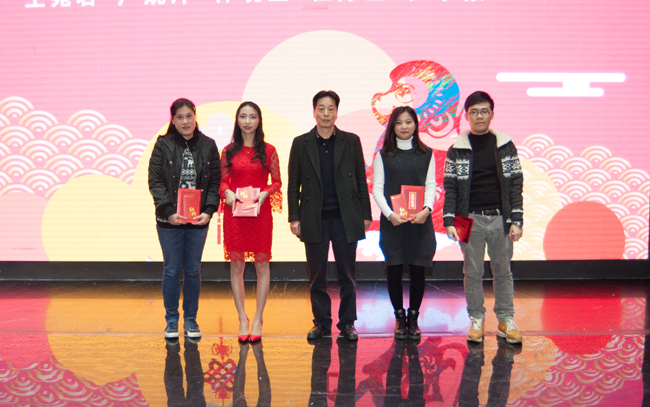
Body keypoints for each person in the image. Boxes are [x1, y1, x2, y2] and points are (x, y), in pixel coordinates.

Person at [288, 90, 372, 341]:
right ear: (314, 111)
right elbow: (293, 184)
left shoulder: (351, 141)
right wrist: (294, 217)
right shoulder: (301, 143)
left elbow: (360, 179)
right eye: (321, 108)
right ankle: (321, 322)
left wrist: (365, 214)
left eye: (331, 108)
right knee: (317, 275)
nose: (326, 113)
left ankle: (347, 323)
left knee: (347, 274)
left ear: (337, 111)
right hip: (314, 216)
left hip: (346, 216)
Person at [443, 91, 524, 344]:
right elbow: (450, 187)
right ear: (466, 115)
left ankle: (506, 320)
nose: (479, 116)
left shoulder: (505, 145)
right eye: (474, 112)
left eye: (484, 111)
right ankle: (476, 319)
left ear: (492, 114)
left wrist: (517, 219)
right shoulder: (457, 149)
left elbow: (515, 183)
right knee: (472, 272)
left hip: (501, 218)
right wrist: (449, 220)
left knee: (503, 271)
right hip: (468, 220)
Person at [148, 98, 221, 339]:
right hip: (169, 220)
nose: (185, 121)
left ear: (195, 117)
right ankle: (171, 321)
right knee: (171, 270)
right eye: (179, 117)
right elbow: (155, 181)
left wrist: (208, 210)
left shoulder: (209, 145)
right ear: (173, 120)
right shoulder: (163, 145)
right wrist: (168, 211)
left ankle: (191, 319)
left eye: (189, 116)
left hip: (198, 220)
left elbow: (215, 182)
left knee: (192, 270)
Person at [372, 106, 436, 340]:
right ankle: (400, 317)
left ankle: (414, 318)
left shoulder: (426, 153)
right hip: (394, 224)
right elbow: (377, 189)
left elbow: (431, 185)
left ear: (416, 125)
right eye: (399, 122)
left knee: (418, 271)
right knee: (394, 270)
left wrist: (427, 210)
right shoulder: (384, 155)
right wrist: (390, 214)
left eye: (408, 122)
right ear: (392, 126)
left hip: (420, 222)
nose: (404, 126)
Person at [220, 101, 282, 342]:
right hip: (236, 215)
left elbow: (277, 181)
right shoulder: (228, 151)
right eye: (243, 116)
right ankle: (242, 318)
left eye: (252, 116)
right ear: (237, 120)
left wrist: (266, 192)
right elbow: (223, 181)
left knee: (262, 265)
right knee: (236, 266)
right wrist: (227, 191)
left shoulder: (269, 150)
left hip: (259, 214)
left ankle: (258, 318)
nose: (247, 121)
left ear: (259, 120)